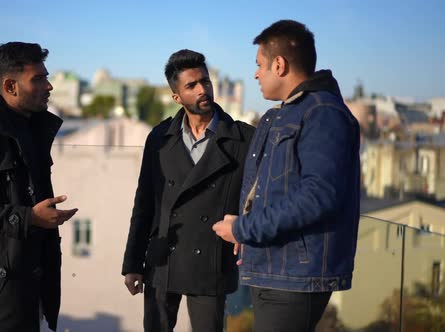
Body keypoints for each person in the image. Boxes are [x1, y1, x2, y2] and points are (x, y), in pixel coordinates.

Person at [212, 20, 361, 332]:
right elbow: (270, 191)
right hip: (275, 269)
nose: (255, 74)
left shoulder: (322, 113)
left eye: (259, 65)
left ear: (279, 64)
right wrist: (246, 230)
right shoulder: (277, 116)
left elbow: (317, 197)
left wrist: (243, 228)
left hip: (296, 278)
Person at [122, 49, 255, 332]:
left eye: (205, 81)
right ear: (176, 97)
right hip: (162, 260)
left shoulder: (244, 139)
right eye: (191, 86)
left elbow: (258, 198)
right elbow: (144, 203)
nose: (202, 89)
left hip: (211, 261)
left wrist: (246, 229)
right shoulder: (159, 137)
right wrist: (132, 262)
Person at [0, 42, 78, 332]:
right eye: (39, 79)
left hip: (32, 279)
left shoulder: (34, 131)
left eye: (46, 77)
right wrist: (30, 217)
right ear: (10, 85)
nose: (49, 86)